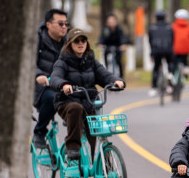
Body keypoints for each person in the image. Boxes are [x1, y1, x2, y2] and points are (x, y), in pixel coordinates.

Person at [50, 28, 125, 160]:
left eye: (83, 40)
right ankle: (72, 150)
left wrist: (116, 81)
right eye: (76, 41)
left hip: (90, 104)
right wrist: (64, 85)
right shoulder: (62, 62)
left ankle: (105, 173)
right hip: (67, 103)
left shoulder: (91, 60)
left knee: (99, 134)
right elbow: (55, 78)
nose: (80, 43)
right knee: (76, 108)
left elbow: (104, 74)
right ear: (69, 44)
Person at [32, 9, 68, 149]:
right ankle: (39, 131)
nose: (64, 27)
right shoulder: (37, 39)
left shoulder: (69, 41)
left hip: (63, 84)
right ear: (48, 24)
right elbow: (29, 63)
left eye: (66, 23)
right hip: (41, 87)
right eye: (60, 23)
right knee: (53, 97)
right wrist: (38, 75)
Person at [148, 9, 174, 97]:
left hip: (156, 51)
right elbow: (172, 39)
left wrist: (152, 52)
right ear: (165, 18)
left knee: (156, 68)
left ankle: (154, 88)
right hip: (168, 50)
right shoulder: (169, 27)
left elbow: (150, 41)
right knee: (170, 62)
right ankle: (170, 75)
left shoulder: (152, 28)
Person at [97, 14, 130, 79]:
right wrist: (100, 44)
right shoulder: (105, 29)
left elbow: (122, 37)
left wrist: (123, 45)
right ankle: (106, 75)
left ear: (115, 22)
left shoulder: (119, 29)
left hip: (117, 47)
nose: (111, 23)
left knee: (119, 60)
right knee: (105, 59)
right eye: (109, 22)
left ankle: (121, 76)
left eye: (112, 22)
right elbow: (102, 38)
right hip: (108, 47)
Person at [171, 9, 189, 78]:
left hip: (175, 49)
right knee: (185, 59)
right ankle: (186, 68)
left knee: (174, 62)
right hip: (186, 49)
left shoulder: (173, 26)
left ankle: (172, 75)